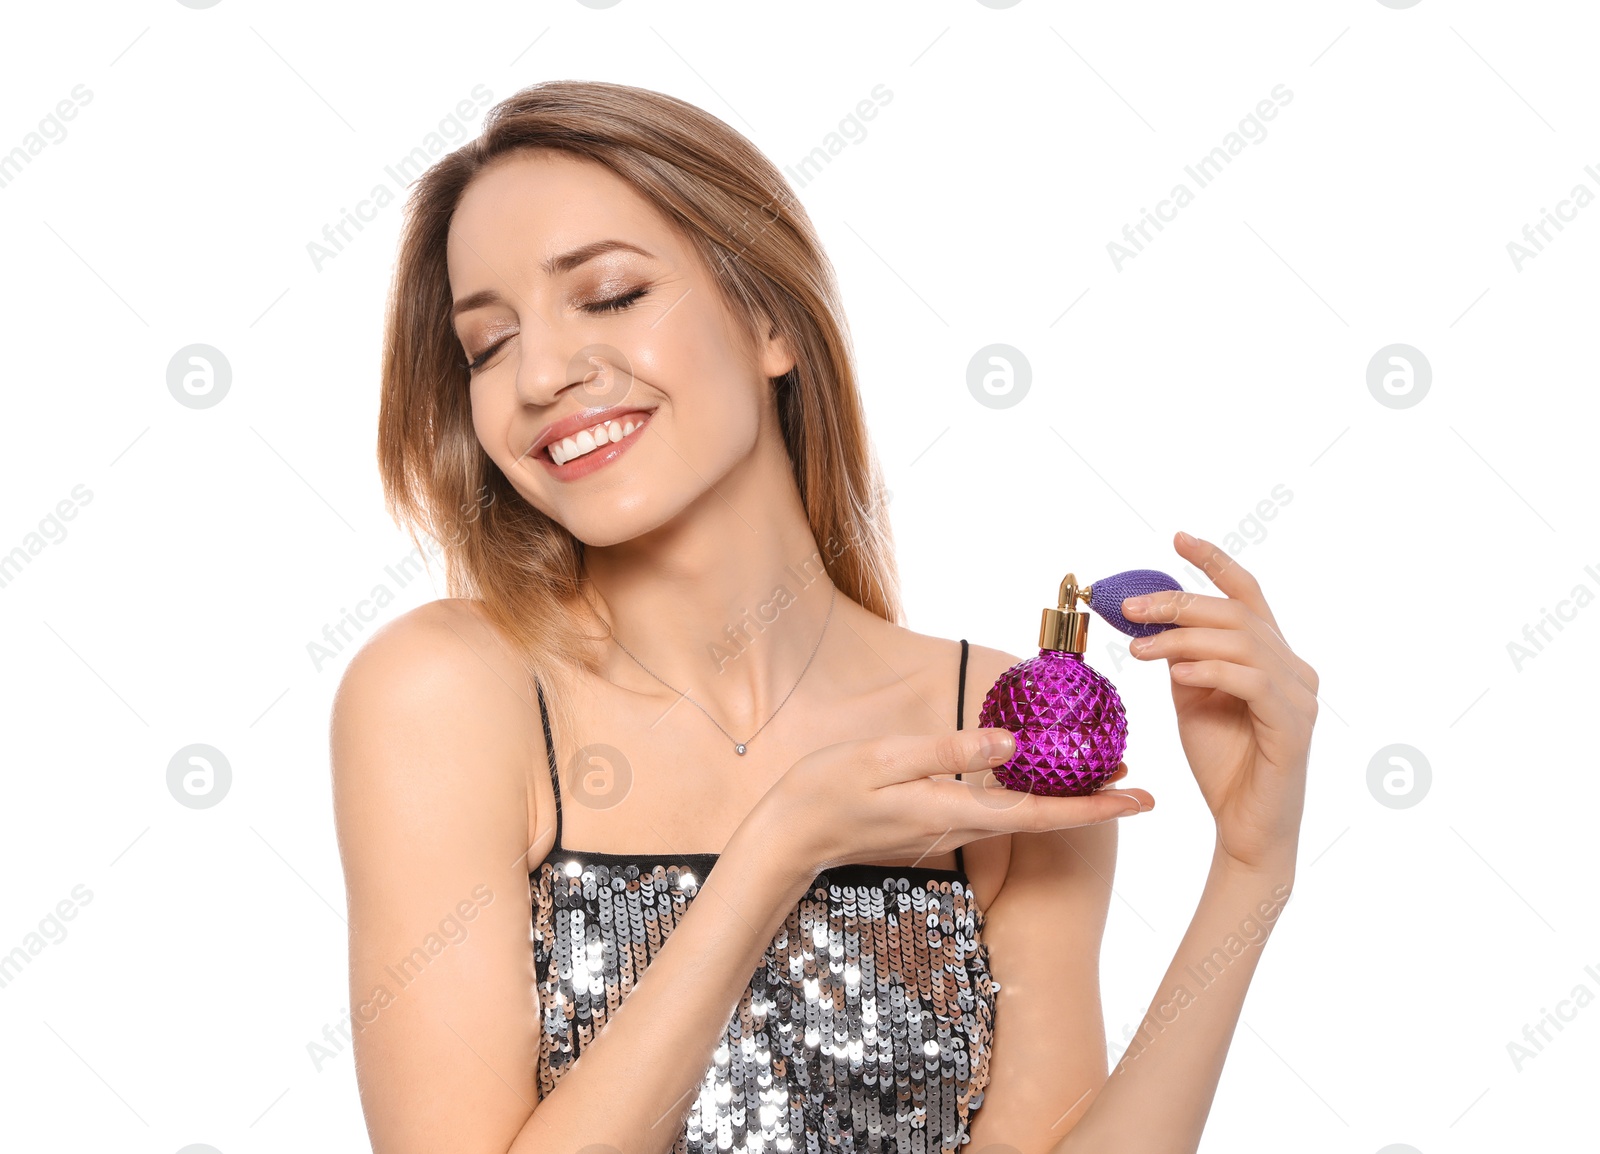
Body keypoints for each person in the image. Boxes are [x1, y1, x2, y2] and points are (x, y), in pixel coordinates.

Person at [330, 79, 1318, 1154]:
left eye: (608, 294)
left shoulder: (986, 724)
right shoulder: (449, 694)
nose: (542, 373)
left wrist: (1250, 868)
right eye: (487, 345)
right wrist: (778, 849)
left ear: (768, 321)